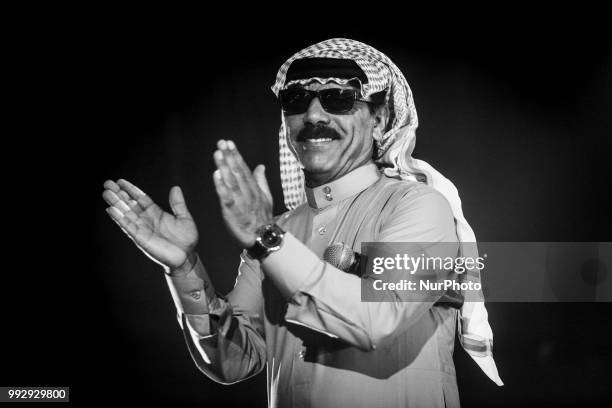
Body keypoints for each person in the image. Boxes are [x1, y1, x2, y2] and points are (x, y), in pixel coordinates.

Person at [102, 38, 502, 408]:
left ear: (379, 120)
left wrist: (268, 240)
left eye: (337, 99)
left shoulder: (419, 207)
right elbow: (233, 363)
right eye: (296, 99)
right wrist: (185, 269)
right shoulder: (277, 229)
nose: (313, 114)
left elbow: (377, 320)